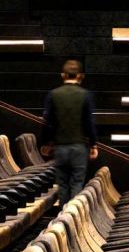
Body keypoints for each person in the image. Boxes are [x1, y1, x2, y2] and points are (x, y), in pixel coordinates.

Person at [39, 58, 98, 207]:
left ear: (63, 75)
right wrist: (93, 144)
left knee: (63, 185)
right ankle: (72, 218)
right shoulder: (85, 95)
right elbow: (89, 123)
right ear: (80, 76)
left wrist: (45, 142)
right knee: (77, 183)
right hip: (79, 147)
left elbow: (48, 122)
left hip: (60, 147)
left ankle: (62, 221)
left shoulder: (53, 94)